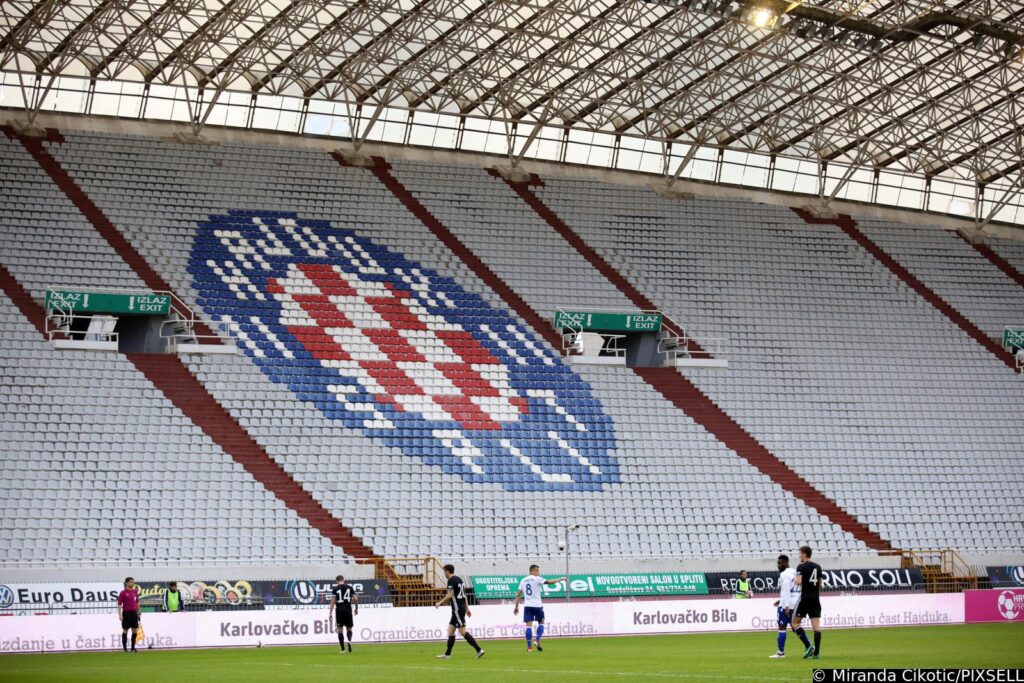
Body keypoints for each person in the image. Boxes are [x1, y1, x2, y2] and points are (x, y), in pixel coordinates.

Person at [434, 564, 484, 659]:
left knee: (462, 631)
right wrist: (467, 608)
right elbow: (464, 595)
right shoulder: (459, 580)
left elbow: (449, 595)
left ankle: (479, 650)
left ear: (448, 571)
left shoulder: (451, 580)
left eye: (444, 571)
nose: (444, 573)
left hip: (457, 609)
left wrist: (439, 603)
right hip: (459, 609)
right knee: (451, 631)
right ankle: (447, 654)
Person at [512, 564, 565, 652]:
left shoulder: (523, 580)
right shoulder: (537, 578)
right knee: (541, 622)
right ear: (532, 571)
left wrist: (516, 606)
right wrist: (559, 579)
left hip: (527, 606)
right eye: (537, 570)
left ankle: (529, 647)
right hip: (537, 605)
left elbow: (518, 594)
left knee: (528, 626)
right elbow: (549, 582)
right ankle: (537, 640)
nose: (538, 572)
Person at [792, 545, 823, 660]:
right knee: (816, 627)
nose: (799, 555)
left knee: (795, 623)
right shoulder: (818, 567)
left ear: (804, 554)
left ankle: (808, 645)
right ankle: (817, 654)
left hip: (804, 597)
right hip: (815, 598)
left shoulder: (801, 566)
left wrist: (796, 579)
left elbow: (798, 582)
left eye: (800, 553)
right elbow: (821, 584)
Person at [769, 554, 799, 658]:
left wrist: (785, 605)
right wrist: (781, 600)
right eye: (778, 563)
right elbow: (793, 589)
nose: (778, 565)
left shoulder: (784, 574)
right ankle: (809, 646)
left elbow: (786, 590)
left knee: (782, 627)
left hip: (786, 605)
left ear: (786, 563)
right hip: (795, 603)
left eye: (780, 563)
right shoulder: (795, 571)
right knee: (796, 627)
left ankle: (780, 652)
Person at [328, 575, 359, 653]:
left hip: (339, 610)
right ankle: (349, 641)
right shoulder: (350, 588)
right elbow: (355, 599)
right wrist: (356, 608)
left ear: (336, 581)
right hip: (348, 610)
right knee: (349, 628)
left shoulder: (335, 589)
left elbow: (332, 602)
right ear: (343, 580)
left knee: (340, 630)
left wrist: (330, 613)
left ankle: (342, 649)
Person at [117, 577, 141, 653]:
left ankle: (133, 648)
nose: (132, 583)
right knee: (125, 630)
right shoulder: (123, 592)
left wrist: (139, 612)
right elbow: (119, 604)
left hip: (134, 613)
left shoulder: (135, 592)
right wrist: (120, 615)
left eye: (133, 582)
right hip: (126, 613)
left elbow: (137, 602)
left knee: (134, 630)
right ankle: (124, 648)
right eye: (131, 582)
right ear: (127, 583)